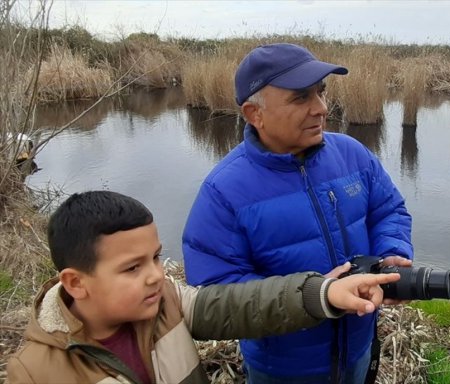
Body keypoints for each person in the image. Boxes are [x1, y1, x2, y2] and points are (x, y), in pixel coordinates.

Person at [182, 43, 413, 383]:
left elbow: (388, 210)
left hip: (359, 349)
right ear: (253, 114)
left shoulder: (352, 155)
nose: (321, 108)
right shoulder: (225, 192)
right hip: (283, 370)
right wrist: (315, 298)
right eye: (301, 98)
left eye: (321, 92)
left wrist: (391, 256)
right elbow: (218, 294)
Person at [6, 191, 401, 384]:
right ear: (76, 283)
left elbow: (240, 305)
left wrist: (324, 294)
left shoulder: (167, 301)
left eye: (156, 258)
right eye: (131, 267)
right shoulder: (36, 373)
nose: (155, 276)